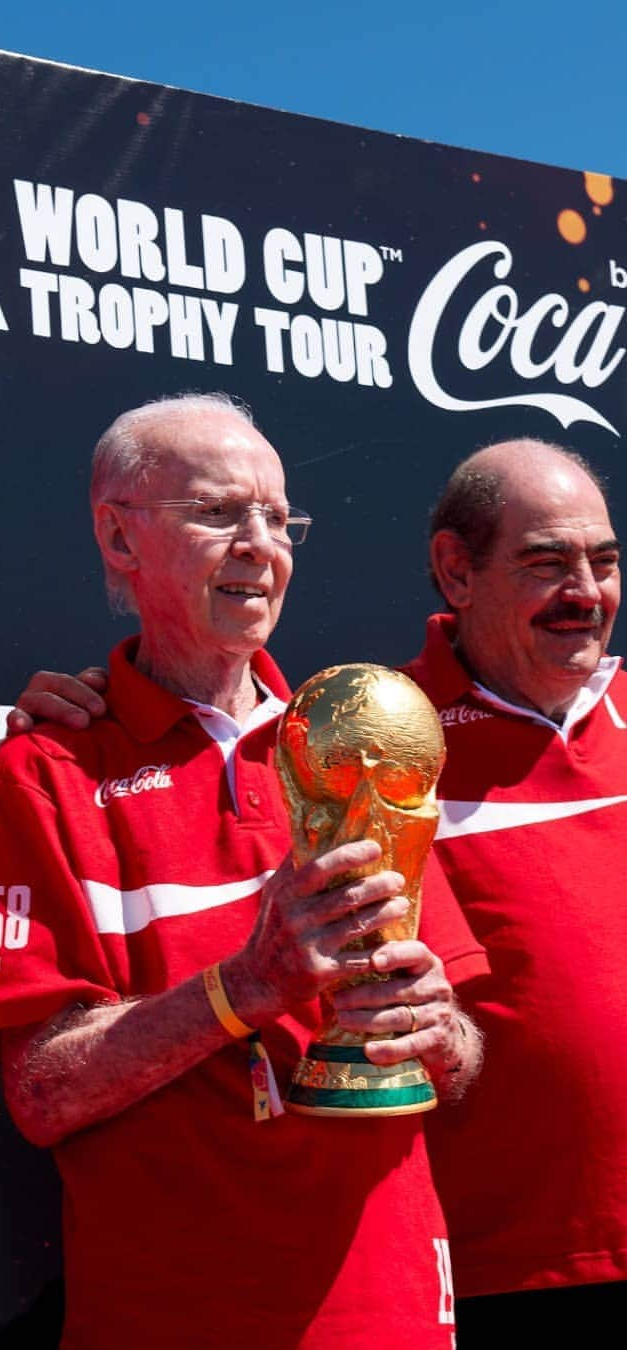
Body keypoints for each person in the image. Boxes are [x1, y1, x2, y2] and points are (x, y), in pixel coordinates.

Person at [0, 393, 486, 1348]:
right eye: (219, 513)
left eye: (279, 518)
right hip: (176, 1316)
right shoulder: (48, 769)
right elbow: (42, 1090)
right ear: (120, 540)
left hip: (393, 1307)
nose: (261, 545)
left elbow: (462, 1060)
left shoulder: (361, 737)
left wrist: (433, 1028)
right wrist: (246, 987)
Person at [402, 438, 627, 1342]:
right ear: (456, 572)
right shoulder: (376, 741)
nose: (587, 593)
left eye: (605, 564)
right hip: (514, 1276)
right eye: (547, 564)